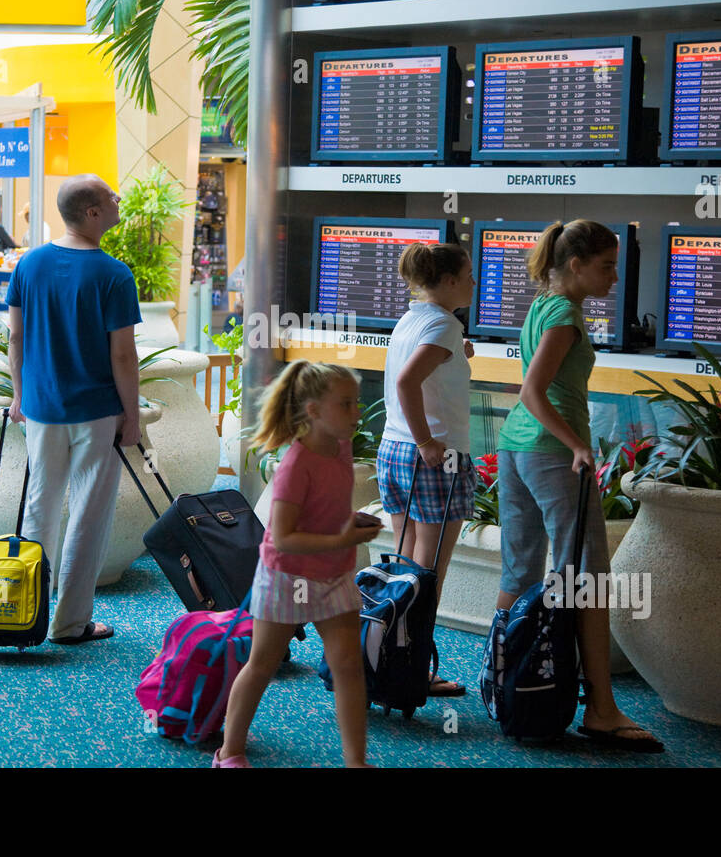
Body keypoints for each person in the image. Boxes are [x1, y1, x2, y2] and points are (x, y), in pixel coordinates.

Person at [493, 219, 664, 752]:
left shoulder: (542, 304)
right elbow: (532, 390)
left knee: (520, 571)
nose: (615, 276)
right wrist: (577, 444)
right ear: (575, 265)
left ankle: (508, 688)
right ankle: (602, 711)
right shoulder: (565, 313)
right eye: (606, 266)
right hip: (549, 454)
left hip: (516, 450)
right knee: (588, 580)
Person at [215, 361, 379, 768]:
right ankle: (229, 752)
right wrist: (342, 537)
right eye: (346, 404)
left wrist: (349, 523)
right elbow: (284, 537)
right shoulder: (295, 466)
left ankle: (356, 762)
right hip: (286, 575)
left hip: (334, 573)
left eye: (356, 402)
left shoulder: (340, 447)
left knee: (348, 667)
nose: (357, 412)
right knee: (262, 664)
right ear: (313, 411)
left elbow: (327, 509)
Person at [6, 173, 142, 645]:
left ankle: (24, 611)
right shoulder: (113, 274)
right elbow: (122, 356)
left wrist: (20, 396)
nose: (117, 199)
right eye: (110, 196)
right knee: (89, 512)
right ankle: (70, 623)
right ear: (92, 213)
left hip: (41, 408)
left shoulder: (30, 264)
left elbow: (16, 337)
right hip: (96, 410)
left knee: (39, 505)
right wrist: (134, 417)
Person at [376, 241, 477, 698]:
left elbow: (418, 371)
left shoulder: (413, 317)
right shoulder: (443, 324)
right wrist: (427, 441)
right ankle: (415, 666)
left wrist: (459, 352)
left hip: (393, 451)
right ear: (451, 281)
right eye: (470, 275)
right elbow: (406, 380)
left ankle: (389, 657)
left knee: (405, 568)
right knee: (428, 573)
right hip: (435, 458)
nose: (475, 283)